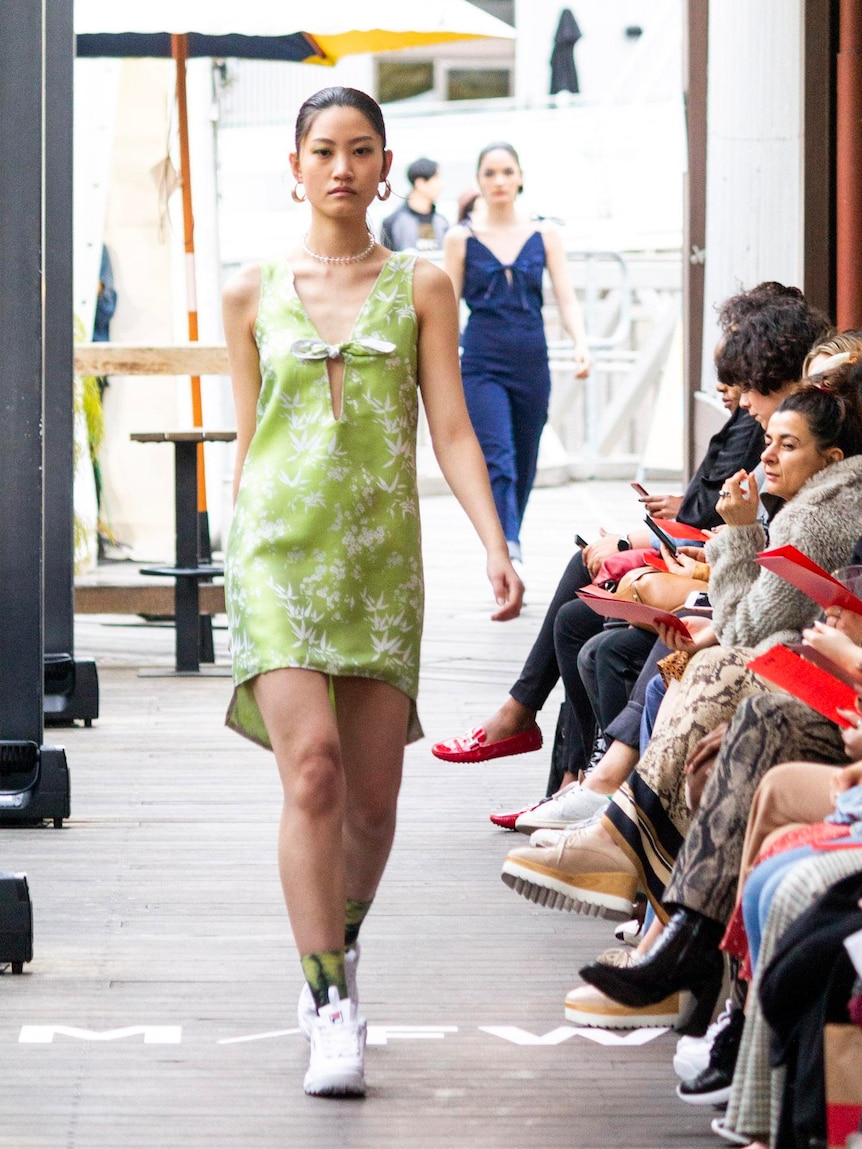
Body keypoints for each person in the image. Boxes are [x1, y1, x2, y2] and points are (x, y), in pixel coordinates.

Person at [221, 86, 523, 1099]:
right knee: (310, 773)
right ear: (294, 165)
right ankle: (326, 1002)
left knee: (374, 804)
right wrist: (233, 552)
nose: (341, 168)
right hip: (276, 558)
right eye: (323, 150)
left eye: (360, 151)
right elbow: (247, 435)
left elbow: (448, 428)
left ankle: (339, 945)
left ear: (384, 164)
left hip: (380, 561)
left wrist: (493, 542)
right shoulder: (248, 290)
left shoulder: (426, 284)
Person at [503, 381, 862, 1022]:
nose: (768, 454)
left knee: (698, 670)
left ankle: (626, 850)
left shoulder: (821, 512)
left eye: (787, 443)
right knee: (675, 666)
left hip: (821, 693)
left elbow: (748, 623)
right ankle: (648, 906)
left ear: (832, 458)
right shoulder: (813, 502)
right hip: (807, 681)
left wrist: (736, 535)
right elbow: (749, 618)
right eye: (768, 440)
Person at [443, 141, 591, 566]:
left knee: (525, 457)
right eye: (489, 173)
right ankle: (505, 544)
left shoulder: (545, 234)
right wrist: (437, 361)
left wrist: (581, 343)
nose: (499, 181)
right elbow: (446, 305)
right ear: (478, 181)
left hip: (531, 360)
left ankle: (511, 535)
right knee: (498, 456)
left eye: (507, 172)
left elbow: (566, 297)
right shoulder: (461, 238)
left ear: (520, 177)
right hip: (480, 361)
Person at [379, 156, 449, 252]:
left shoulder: (442, 222)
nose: (441, 184)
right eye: (436, 178)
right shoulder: (393, 222)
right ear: (420, 183)